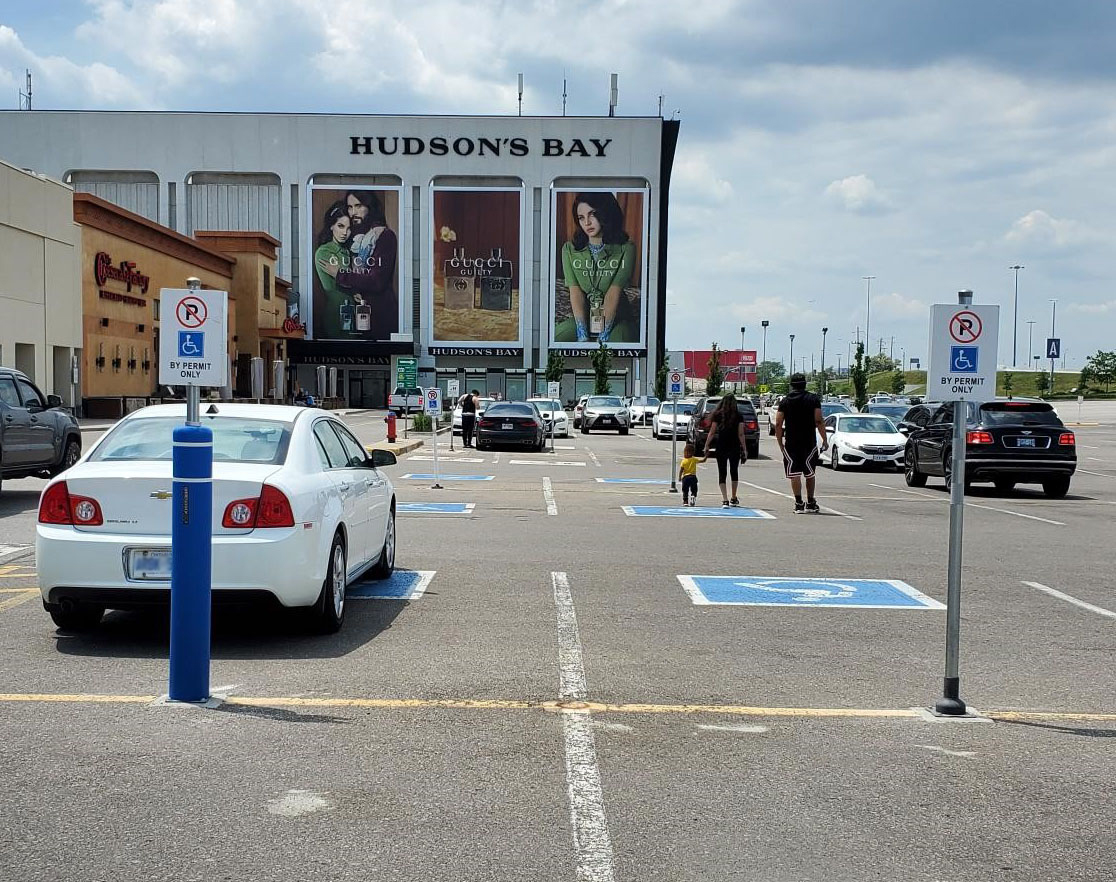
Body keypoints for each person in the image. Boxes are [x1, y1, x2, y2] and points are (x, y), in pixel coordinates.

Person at [554, 192, 638, 343]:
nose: (587, 222)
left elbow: (614, 293)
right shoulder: (569, 250)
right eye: (581, 217)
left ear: (605, 213)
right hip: (584, 316)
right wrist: (582, 334)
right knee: (558, 336)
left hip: (617, 317)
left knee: (621, 340)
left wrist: (602, 338)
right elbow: (575, 291)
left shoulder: (626, 248)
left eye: (592, 214)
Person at [315, 190, 399, 340]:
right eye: (350, 207)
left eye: (358, 206)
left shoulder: (384, 236)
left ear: (370, 206)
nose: (353, 212)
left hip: (381, 317)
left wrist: (341, 275)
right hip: (354, 320)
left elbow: (377, 281)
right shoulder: (353, 241)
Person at [775, 373, 828, 514]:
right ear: (805, 384)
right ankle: (810, 502)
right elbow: (819, 420)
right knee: (810, 473)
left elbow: (778, 423)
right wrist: (825, 439)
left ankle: (798, 503)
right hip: (808, 442)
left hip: (791, 442)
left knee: (794, 474)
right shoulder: (813, 399)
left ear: (791, 385)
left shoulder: (785, 401)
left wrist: (780, 442)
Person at [313, 201, 353, 338]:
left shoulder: (348, 251)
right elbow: (335, 286)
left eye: (349, 228)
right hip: (335, 313)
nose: (344, 233)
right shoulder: (324, 252)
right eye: (340, 226)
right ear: (331, 226)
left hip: (353, 313)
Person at [702, 393, 746, 508]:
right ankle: (733, 497)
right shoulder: (738, 416)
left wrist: (706, 445)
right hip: (734, 446)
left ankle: (725, 499)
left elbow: (712, 432)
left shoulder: (718, 415)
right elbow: (741, 434)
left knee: (722, 472)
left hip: (721, 446)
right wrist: (744, 449)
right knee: (734, 471)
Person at [679, 442, 700, 507]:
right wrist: (706, 456)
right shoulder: (694, 459)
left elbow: (681, 470)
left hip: (685, 477)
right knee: (694, 488)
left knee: (685, 490)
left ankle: (685, 501)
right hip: (693, 477)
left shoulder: (684, 461)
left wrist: (679, 477)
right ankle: (693, 495)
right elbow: (703, 460)